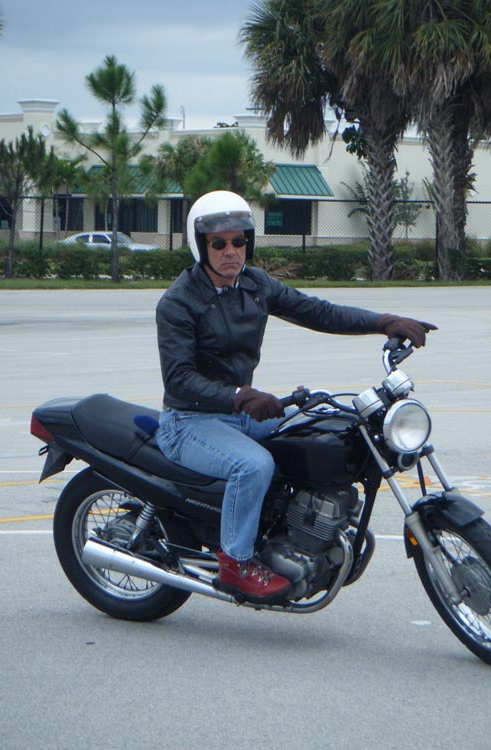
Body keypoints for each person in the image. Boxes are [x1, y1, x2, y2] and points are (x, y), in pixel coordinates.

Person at [155, 190, 435, 602]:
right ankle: (235, 563)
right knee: (254, 466)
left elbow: (318, 311)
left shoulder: (255, 285)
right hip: (189, 421)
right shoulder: (179, 302)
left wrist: (384, 321)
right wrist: (240, 396)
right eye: (219, 243)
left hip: (238, 413)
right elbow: (179, 379)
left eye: (238, 241)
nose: (231, 251)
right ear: (202, 246)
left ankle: (294, 534)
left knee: (320, 434)